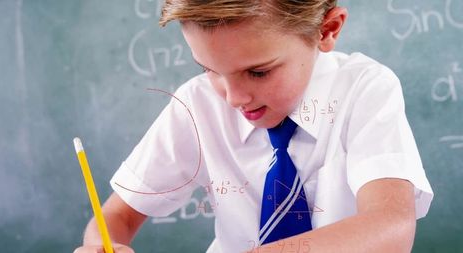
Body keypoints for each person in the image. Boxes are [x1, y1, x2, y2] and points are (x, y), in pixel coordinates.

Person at [74, 0, 434, 252]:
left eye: (258, 72)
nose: (232, 98)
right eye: (209, 69)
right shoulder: (198, 104)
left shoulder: (364, 89)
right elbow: (116, 216)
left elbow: (391, 227)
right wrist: (100, 245)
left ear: (327, 29)